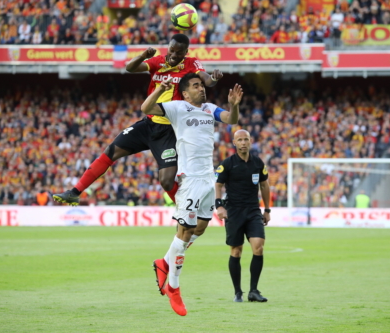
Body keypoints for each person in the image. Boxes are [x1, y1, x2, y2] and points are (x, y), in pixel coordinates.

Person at [52, 34, 223, 206]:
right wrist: (142, 56)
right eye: (172, 49)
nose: (173, 54)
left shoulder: (191, 64)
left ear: (186, 52)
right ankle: (75, 192)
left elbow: (207, 80)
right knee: (111, 151)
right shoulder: (157, 62)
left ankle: (186, 209)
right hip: (148, 124)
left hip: (169, 129)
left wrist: (214, 78)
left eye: (179, 52)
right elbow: (130, 67)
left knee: (166, 180)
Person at [142, 73, 242, 316]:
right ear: (185, 93)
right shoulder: (177, 107)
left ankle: (164, 261)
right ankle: (174, 288)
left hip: (208, 177)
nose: (201, 89)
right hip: (190, 179)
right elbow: (146, 107)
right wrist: (159, 89)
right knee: (185, 231)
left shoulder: (209, 108)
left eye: (201, 85)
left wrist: (234, 106)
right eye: (196, 86)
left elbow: (230, 119)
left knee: (201, 227)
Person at [215, 129, 270, 303]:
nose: (243, 142)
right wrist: (219, 206)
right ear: (234, 143)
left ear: (251, 141)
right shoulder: (228, 163)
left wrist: (267, 209)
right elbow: (218, 185)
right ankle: (238, 292)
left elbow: (265, 186)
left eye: (246, 139)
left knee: (258, 247)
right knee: (236, 251)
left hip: (253, 210)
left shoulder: (258, 163)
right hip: (234, 211)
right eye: (240, 140)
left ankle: (253, 291)